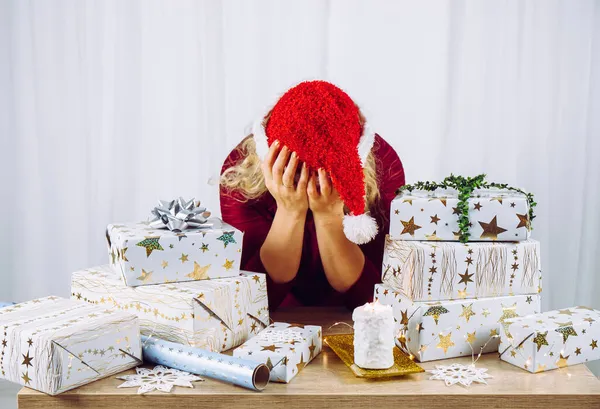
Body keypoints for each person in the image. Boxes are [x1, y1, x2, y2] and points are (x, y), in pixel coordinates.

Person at [220, 80, 405, 310]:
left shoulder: (383, 165)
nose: (309, 185)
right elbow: (252, 301)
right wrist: (289, 211)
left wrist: (329, 215)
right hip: (277, 321)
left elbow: (376, 300)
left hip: (351, 322)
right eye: (294, 171)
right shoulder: (239, 173)